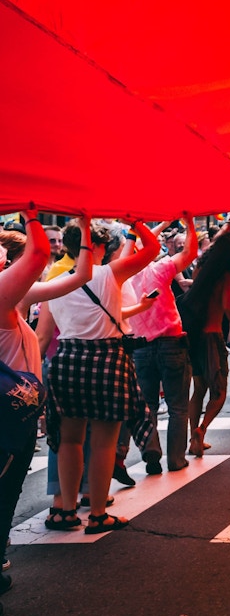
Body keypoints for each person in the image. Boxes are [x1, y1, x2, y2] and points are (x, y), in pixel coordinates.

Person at [46, 217, 161, 534]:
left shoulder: (55, 282)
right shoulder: (110, 273)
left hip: (67, 359)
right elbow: (153, 248)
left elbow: (46, 335)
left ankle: (66, 512)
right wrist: (133, 221)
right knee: (102, 444)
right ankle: (97, 513)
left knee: (69, 441)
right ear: (95, 246)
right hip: (108, 358)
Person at [0, 207, 93, 572]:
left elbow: (80, 276)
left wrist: (84, 228)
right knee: (4, 494)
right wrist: (31, 211)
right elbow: (38, 255)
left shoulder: (11, 297)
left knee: (7, 493)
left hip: (16, 415)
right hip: (7, 418)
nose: (6, 257)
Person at [125, 214, 199, 472]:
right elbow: (190, 252)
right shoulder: (161, 268)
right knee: (178, 406)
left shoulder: (122, 276)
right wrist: (189, 223)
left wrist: (141, 227)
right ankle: (176, 459)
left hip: (141, 348)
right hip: (171, 343)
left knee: (148, 406)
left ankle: (151, 450)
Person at [181, 224, 230, 456]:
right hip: (212, 337)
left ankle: (193, 434)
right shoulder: (225, 276)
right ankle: (202, 430)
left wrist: (229, 223)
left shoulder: (201, 270)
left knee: (199, 389)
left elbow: (216, 245)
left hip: (194, 336)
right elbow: (228, 306)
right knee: (219, 392)